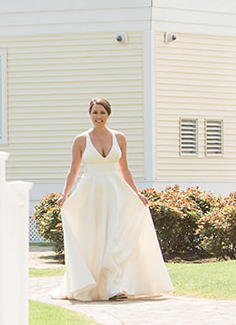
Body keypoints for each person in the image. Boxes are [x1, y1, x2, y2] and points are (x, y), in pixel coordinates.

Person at [51, 97, 172, 301]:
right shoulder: (80, 140)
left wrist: (137, 193)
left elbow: (124, 169)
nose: (98, 117)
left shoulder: (120, 138)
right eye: (95, 112)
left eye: (102, 112)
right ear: (90, 114)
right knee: (94, 239)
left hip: (116, 192)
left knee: (116, 238)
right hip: (91, 194)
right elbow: (73, 170)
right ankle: (92, 286)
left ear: (108, 114)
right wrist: (65, 194)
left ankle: (113, 288)